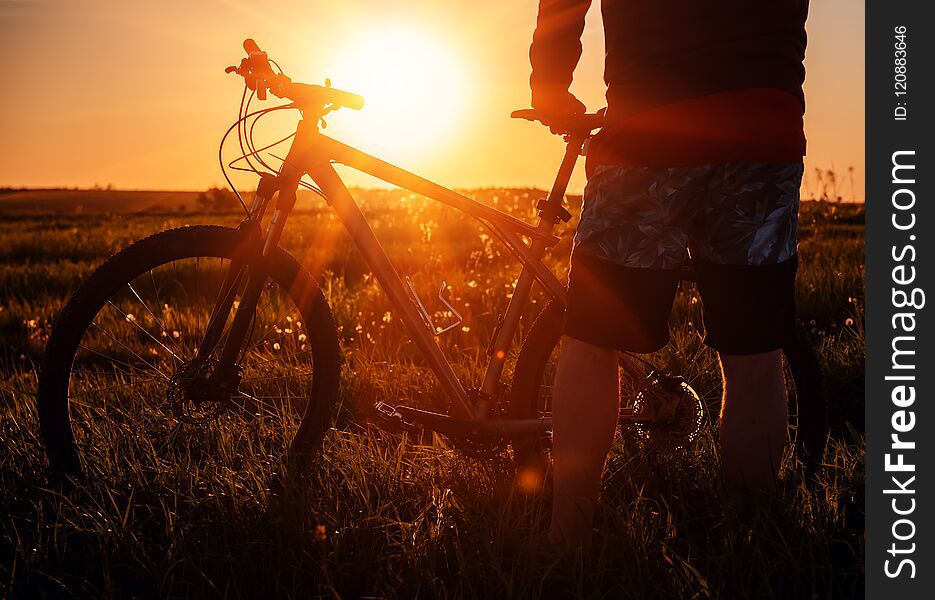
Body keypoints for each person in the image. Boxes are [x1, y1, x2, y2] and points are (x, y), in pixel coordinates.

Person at [527, 0, 809, 548]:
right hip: (763, 127)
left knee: (591, 338)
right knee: (754, 353)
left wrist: (549, 85)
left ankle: (567, 544)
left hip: (650, 123)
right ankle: (751, 545)